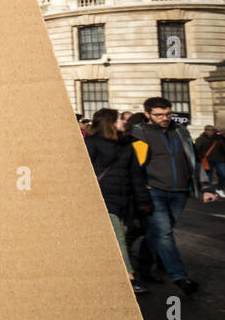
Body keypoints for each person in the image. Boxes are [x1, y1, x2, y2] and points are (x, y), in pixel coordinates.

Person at [129, 98, 217, 294]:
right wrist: (140, 187)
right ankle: (180, 277)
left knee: (156, 233)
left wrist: (206, 186)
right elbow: (132, 163)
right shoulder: (137, 133)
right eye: (159, 115)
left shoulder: (180, 131)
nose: (165, 118)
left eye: (168, 114)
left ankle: (143, 268)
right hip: (154, 190)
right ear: (147, 114)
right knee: (165, 232)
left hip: (180, 191)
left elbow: (193, 161)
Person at [84, 109, 150, 294]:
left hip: (124, 199)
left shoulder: (126, 145)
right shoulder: (90, 144)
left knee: (121, 234)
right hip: (103, 198)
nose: (124, 121)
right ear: (109, 122)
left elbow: (135, 176)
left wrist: (142, 201)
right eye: (120, 118)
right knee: (118, 237)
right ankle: (129, 277)